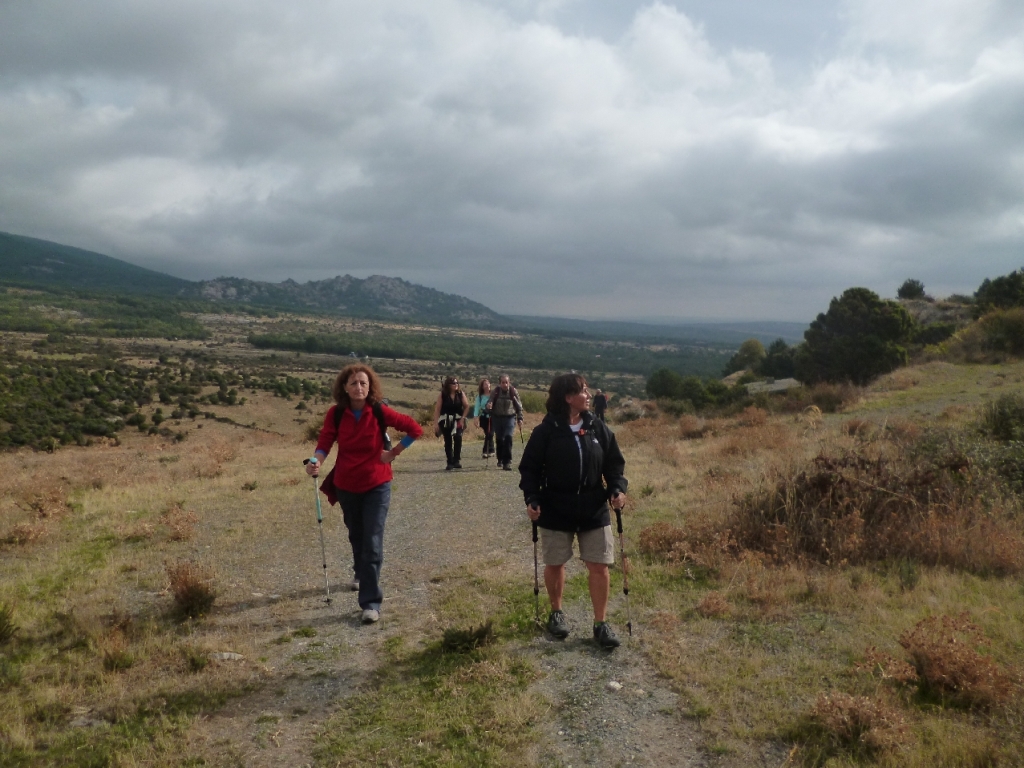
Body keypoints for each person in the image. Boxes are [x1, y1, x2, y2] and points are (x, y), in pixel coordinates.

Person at [305, 364, 423, 624]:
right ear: (344, 388)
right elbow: (325, 443)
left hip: (377, 484)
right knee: (356, 534)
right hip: (347, 484)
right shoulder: (336, 414)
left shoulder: (379, 411)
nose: (358, 387)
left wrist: (394, 453)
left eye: (363, 383)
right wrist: (315, 461)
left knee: (372, 539)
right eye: (353, 383)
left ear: (370, 388)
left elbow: (415, 429)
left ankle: (370, 603)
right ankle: (360, 571)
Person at [519, 373, 628, 649]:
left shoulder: (597, 428)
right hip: (556, 506)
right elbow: (529, 469)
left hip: (593, 506)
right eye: (583, 391)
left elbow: (614, 464)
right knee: (555, 563)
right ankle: (556, 613)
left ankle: (601, 624)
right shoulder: (545, 432)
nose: (588, 395)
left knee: (599, 565)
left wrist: (617, 489)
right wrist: (532, 498)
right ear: (568, 398)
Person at [486, 374, 524, 470]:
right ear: (500, 383)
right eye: (503, 382)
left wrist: (520, 418)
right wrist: (489, 406)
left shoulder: (513, 391)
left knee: (508, 437)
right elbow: (489, 404)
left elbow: (519, 406)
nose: (505, 384)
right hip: (497, 418)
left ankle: (507, 462)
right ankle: (500, 459)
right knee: (499, 439)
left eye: (506, 382)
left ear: (509, 382)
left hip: (510, 417)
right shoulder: (495, 392)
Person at [433, 376, 470, 470]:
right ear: (448, 385)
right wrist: (436, 423)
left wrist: (463, 418)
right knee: (448, 440)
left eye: (457, 383)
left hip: (458, 419)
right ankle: (450, 461)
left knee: (458, 437)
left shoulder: (460, 394)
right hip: (445, 420)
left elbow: (466, 406)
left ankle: (456, 460)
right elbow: (437, 409)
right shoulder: (443, 395)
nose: (456, 385)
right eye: (453, 383)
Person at [474, 378, 494, 459]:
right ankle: (491, 450)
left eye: (488, 383)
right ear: (482, 387)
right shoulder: (480, 397)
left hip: (493, 417)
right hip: (483, 417)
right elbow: (476, 407)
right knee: (488, 433)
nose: (487, 385)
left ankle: (485, 451)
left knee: (490, 433)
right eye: (485, 384)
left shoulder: (493, 395)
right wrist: (475, 417)